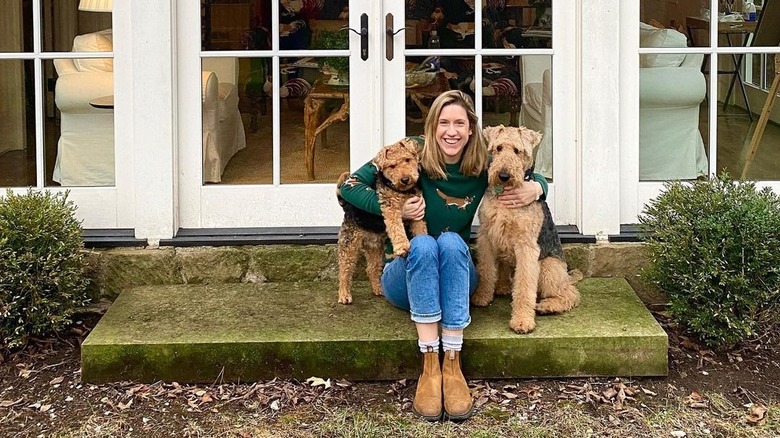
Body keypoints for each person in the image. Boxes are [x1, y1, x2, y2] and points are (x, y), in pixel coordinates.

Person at [338, 90, 548, 421]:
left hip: (455, 275)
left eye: (460, 124)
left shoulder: (482, 162)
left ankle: (452, 363)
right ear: (432, 126)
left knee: (451, 243)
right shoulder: (412, 150)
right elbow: (349, 185)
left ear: (471, 129)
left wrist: (540, 188)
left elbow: (518, 169)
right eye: (444, 122)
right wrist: (398, 207)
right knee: (423, 244)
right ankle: (429, 363)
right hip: (405, 275)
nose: (451, 131)